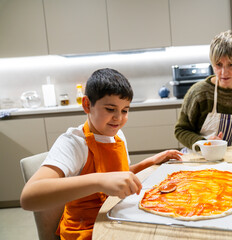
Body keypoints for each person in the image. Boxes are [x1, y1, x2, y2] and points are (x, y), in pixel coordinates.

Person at [20, 68, 182, 239]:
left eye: (125, 110)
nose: (118, 118)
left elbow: (118, 177)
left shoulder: (117, 134)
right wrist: (100, 181)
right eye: (110, 109)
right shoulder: (73, 143)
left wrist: (150, 161)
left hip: (115, 218)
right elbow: (29, 197)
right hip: (86, 231)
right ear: (87, 105)